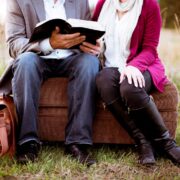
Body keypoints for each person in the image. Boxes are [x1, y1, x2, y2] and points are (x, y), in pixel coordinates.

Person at [5, 0, 101, 166]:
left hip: (72, 58)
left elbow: (88, 35)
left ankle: (77, 143)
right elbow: (13, 44)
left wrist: (92, 46)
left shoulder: (80, 2)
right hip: (37, 57)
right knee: (25, 62)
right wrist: (49, 44)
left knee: (90, 63)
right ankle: (28, 143)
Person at [95, 0, 180, 165]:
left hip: (143, 64)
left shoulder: (149, 5)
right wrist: (94, 46)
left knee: (130, 87)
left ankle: (166, 143)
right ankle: (143, 142)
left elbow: (150, 48)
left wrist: (134, 66)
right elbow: (93, 37)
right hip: (111, 66)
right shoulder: (103, 5)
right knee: (103, 81)